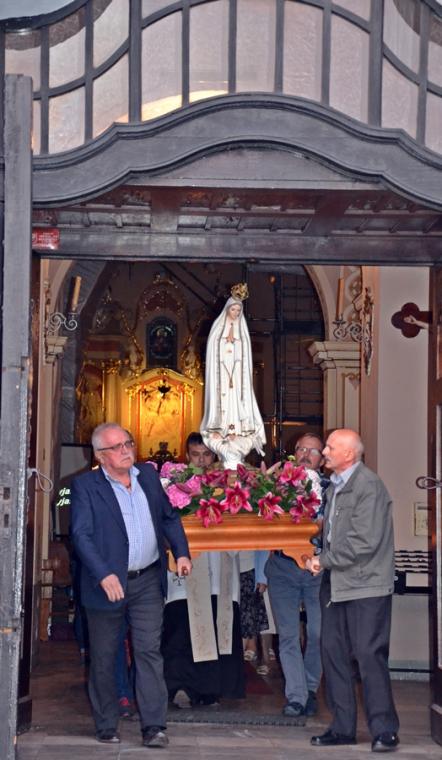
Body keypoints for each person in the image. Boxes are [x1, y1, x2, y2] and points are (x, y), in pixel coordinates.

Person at [70, 422, 192, 748]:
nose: (126, 451)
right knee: (104, 655)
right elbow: (81, 535)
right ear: (100, 456)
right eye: (117, 447)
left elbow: (168, 517)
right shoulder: (85, 486)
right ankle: (107, 724)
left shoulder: (148, 476)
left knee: (149, 651)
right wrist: (103, 574)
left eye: (128, 443)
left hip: (147, 580)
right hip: (107, 585)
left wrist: (181, 552)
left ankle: (154, 727)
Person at [305, 429, 399, 753]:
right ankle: (343, 728)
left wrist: (323, 560)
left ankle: (384, 731)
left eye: (331, 447)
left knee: (369, 656)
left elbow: (363, 542)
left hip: (366, 586)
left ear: (349, 454)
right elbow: (333, 534)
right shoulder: (335, 486)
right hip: (337, 585)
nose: (325, 451)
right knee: (333, 656)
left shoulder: (369, 486)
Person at [162, 433, 245, 706]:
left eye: (206, 455)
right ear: (187, 455)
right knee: (180, 630)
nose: (201, 461)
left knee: (216, 628)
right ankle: (176, 686)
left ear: (215, 456)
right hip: (184, 571)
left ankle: (209, 690)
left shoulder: (227, 483)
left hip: (218, 568)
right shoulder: (174, 484)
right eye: (195, 454)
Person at [265, 433, 327, 718]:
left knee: (317, 633)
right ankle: (297, 697)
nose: (305, 455)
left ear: (322, 459)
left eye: (313, 451)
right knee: (288, 635)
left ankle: (310, 688)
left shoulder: (332, 489)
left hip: (319, 569)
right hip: (283, 568)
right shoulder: (277, 485)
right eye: (301, 449)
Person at [200, 284, 266, 468]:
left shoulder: (242, 334)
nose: (235, 313)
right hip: (221, 376)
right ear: (227, 309)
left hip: (237, 377)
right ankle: (219, 429)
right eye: (233, 309)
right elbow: (213, 351)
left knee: (236, 402)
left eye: (238, 310)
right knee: (222, 401)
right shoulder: (217, 330)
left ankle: (237, 430)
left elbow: (246, 357)